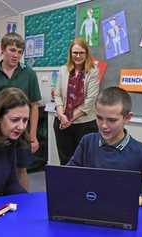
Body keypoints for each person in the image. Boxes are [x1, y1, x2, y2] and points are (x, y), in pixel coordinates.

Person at [68, 87, 142, 208]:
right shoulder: (88, 141)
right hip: (90, 211)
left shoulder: (141, 153)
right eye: (99, 118)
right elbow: (68, 176)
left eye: (112, 120)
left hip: (122, 218)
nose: (103, 125)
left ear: (127, 118)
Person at [0, 32, 42, 189]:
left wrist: (33, 136)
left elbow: (34, 106)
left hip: (22, 131)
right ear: (2, 50)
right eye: (12, 50)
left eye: (20, 52)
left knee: (21, 169)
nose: (16, 55)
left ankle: (25, 204)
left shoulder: (29, 73)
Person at [54, 37, 100, 165]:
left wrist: (69, 119)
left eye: (81, 53)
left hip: (84, 125)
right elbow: (57, 94)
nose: (78, 56)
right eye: (75, 53)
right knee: (66, 161)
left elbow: (90, 101)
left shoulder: (93, 71)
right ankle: (67, 185)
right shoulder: (63, 70)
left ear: (86, 53)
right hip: (62, 123)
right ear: (70, 54)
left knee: (84, 162)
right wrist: (61, 115)